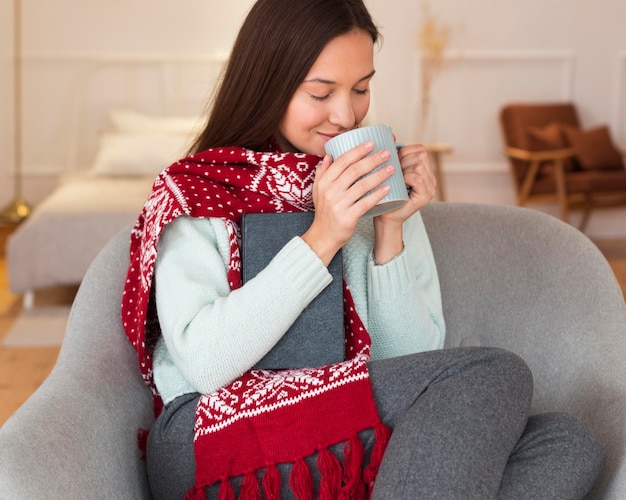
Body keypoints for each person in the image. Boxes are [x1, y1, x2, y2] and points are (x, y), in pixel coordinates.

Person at [121, 0, 604, 498]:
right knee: (492, 374)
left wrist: (390, 229)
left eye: (361, 88)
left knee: (569, 443)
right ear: (268, 84)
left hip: (345, 429)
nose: (346, 114)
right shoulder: (200, 193)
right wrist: (323, 236)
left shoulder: (374, 186)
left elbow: (411, 370)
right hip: (211, 439)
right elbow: (205, 366)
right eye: (321, 92)